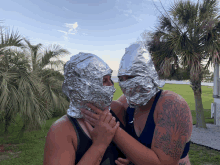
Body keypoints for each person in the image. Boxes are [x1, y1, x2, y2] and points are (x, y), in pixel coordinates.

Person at [81, 44, 193, 165]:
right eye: (121, 79)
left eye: (130, 77)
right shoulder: (125, 103)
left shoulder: (172, 105)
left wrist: (112, 128)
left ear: (147, 75)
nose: (125, 84)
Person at [43, 53, 130, 165]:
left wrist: (132, 159)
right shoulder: (62, 131)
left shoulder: (117, 109)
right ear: (83, 87)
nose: (112, 86)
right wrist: (99, 145)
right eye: (104, 81)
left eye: (110, 79)